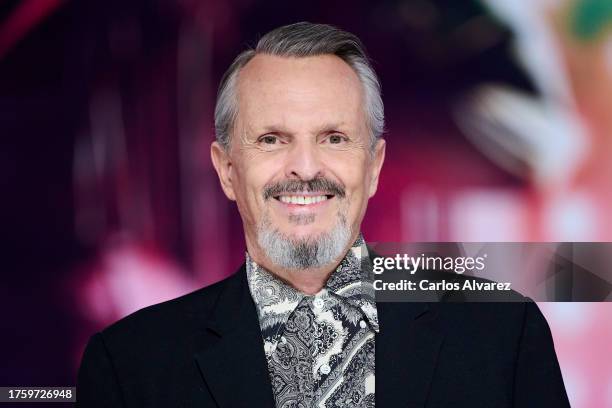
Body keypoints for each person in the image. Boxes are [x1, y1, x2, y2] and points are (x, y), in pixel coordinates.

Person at [76, 22, 570, 407]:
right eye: (272, 139)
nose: (306, 168)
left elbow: (535, 139)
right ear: (227, 170)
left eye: (334, 138)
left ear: (373, 165)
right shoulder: (130, 363)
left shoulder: (504, 337)